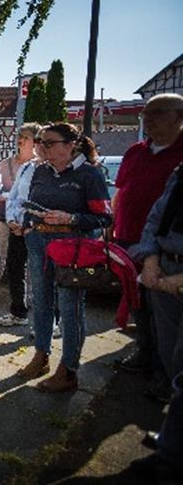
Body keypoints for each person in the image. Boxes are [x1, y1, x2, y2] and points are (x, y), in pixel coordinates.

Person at [16, 123, 112, 392]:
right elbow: (30, 202)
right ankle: (41, 355)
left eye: (49, 142)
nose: (42, 147)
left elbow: (104, 218)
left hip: (72, 249)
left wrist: (71, 218)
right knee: (42, 302)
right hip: (38, 243)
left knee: (70, 309)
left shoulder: (89, 175)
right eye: (41, 142)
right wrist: (25, 223)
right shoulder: (40, 171)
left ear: (70, 145)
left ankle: (69, 370)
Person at [112, 94, 183, 399]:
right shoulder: (135, 151)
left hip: (164, 248)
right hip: (129, 238)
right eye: (145, 113)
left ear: (179, 116)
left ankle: (164, 373)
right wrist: (112, 227)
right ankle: (145, 353)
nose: (147, 119)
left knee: (163, 312)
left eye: (156, 113)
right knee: (138, 301)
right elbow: (121, 191)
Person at [129, 162, 183, 480]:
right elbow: (156, 218)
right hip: (163, 271)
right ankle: (173, 441)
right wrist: (149, 259)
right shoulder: (179, 172)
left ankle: (172, 455)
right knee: (171, 359)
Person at [0, 123, 42, 328]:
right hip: (18, 228)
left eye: (25, 137)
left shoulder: (47, 169)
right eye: (19, 136)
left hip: (39, 229)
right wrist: (13, 220)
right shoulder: (26, 168)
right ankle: (18, 312)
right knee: (15, 268)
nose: (20, 140)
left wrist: (29, 223)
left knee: (41, 273)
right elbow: (14, 197)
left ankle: (49, 321)